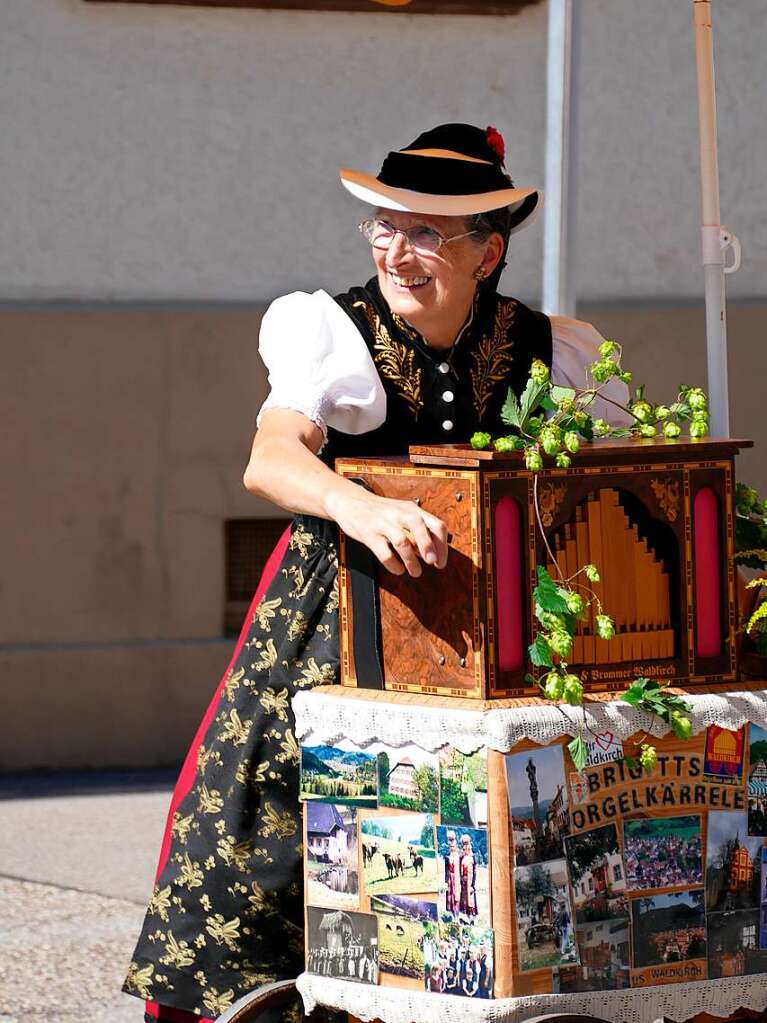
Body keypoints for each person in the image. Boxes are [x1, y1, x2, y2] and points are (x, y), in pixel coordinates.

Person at [124, 122, 629, 1021]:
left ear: (488, 250)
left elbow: (612, 476)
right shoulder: (330, 329)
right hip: (340, 609)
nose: (399, 250)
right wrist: (358, 505)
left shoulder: (553, 348)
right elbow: (271, 459)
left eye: (427, 233)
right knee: (277, 810)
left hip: (494, 622)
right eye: (386, 226)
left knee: (494, 826)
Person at [458, 832, 478, 920]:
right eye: (464, 844)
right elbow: (460, 869)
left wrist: (473, 884)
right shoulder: (462, 858)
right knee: (464, 898)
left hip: (470, 882)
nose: (465, 847)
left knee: (471, 898)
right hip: (463, 882)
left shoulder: (472, 858)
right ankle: (466, 915)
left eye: (467, 844)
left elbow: (474, 872)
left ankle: (472, 917)